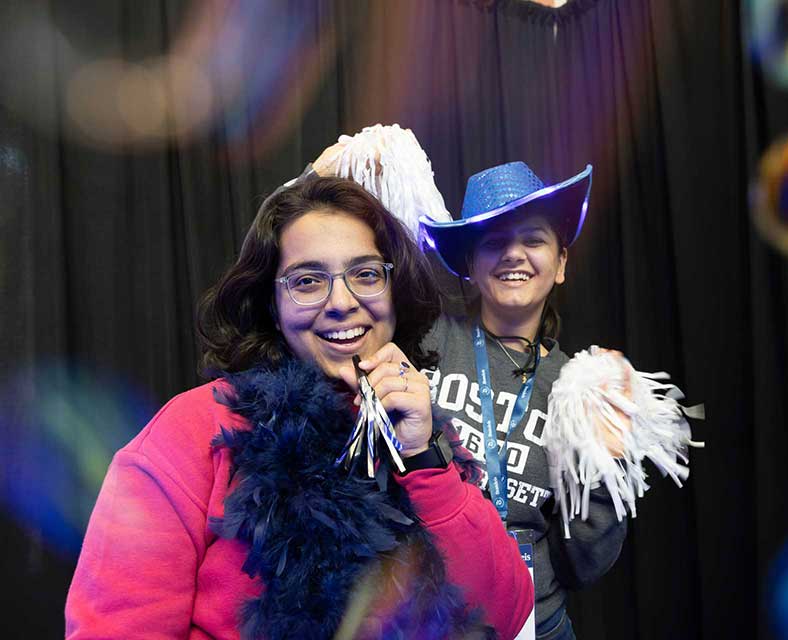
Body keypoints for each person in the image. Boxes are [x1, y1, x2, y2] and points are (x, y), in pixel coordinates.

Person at [64, 175, 534, 639]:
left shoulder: (425, 431)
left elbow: (504, 615)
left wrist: (423, 459)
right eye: (308, 281)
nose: (342, 303)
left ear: (394, 291)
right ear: (272, 304)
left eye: (365, 274)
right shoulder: (190, 431)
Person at [418, 162, 628, 640]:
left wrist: (606, 468)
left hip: (537, 625)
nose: (514, 254)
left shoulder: (581, 389)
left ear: (560, 264)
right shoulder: (426, 340)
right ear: (469, 265)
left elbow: (585, 562)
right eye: (494, 242)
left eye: (533, 240)